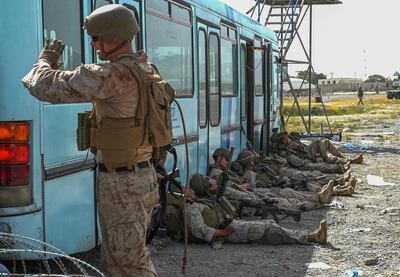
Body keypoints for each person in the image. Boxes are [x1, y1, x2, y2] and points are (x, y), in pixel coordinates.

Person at [22, 4, 159, 276]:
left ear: (113, 35)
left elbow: (44, 87)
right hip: (138, 176)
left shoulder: (115, 75)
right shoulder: (143, 68)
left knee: (130, 263)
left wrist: (44, 61)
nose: (93, 44)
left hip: (124, 183)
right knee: (119, 261)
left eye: (96, 38)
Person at [162, 176, 328, 248]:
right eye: (185, 189)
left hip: (230, 225)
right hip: (226, 231)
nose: (188, 189)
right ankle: (310, 237)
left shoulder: (201, 201)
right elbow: (200, 230)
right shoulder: (191, 207)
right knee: (268, 227)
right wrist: (223, 232)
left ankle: (310, 234)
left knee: (268, 224)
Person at [289, 131, 363, 165]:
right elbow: (299, 150)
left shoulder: (297, 143)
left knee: (326, 141)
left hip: (310, 151)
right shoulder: (291, 144)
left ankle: (343, 157)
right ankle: (327, 159)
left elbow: (303, 146)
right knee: (317, 142)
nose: (298, 140)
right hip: (308, 155)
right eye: (297, 139)